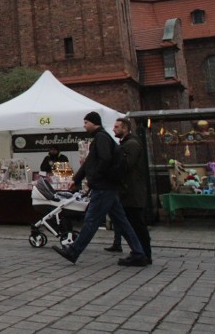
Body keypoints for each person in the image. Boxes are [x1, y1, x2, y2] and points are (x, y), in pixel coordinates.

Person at [52, 112, 149, 266]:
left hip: (103, 187)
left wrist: (93, 180)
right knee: (122, 221)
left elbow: (105, 159)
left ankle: (73, 251)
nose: (84, 126)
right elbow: (89, 162)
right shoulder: (100, 138)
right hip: (108, 186)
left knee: (91, 220)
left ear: (93, 123)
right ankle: (138, 253)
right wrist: (76, 179)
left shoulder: (102, 138)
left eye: (86, 122)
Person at [105, 117, 153, 263]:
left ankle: (143, 254)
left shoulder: (131, 144)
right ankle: (140, 253)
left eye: (117, 127)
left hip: (132, 191)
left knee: (136, 224)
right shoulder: (128, 143)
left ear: (125, 128)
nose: (113, 129)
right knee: (133, 223)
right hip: (129, 190)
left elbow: (125, 166)